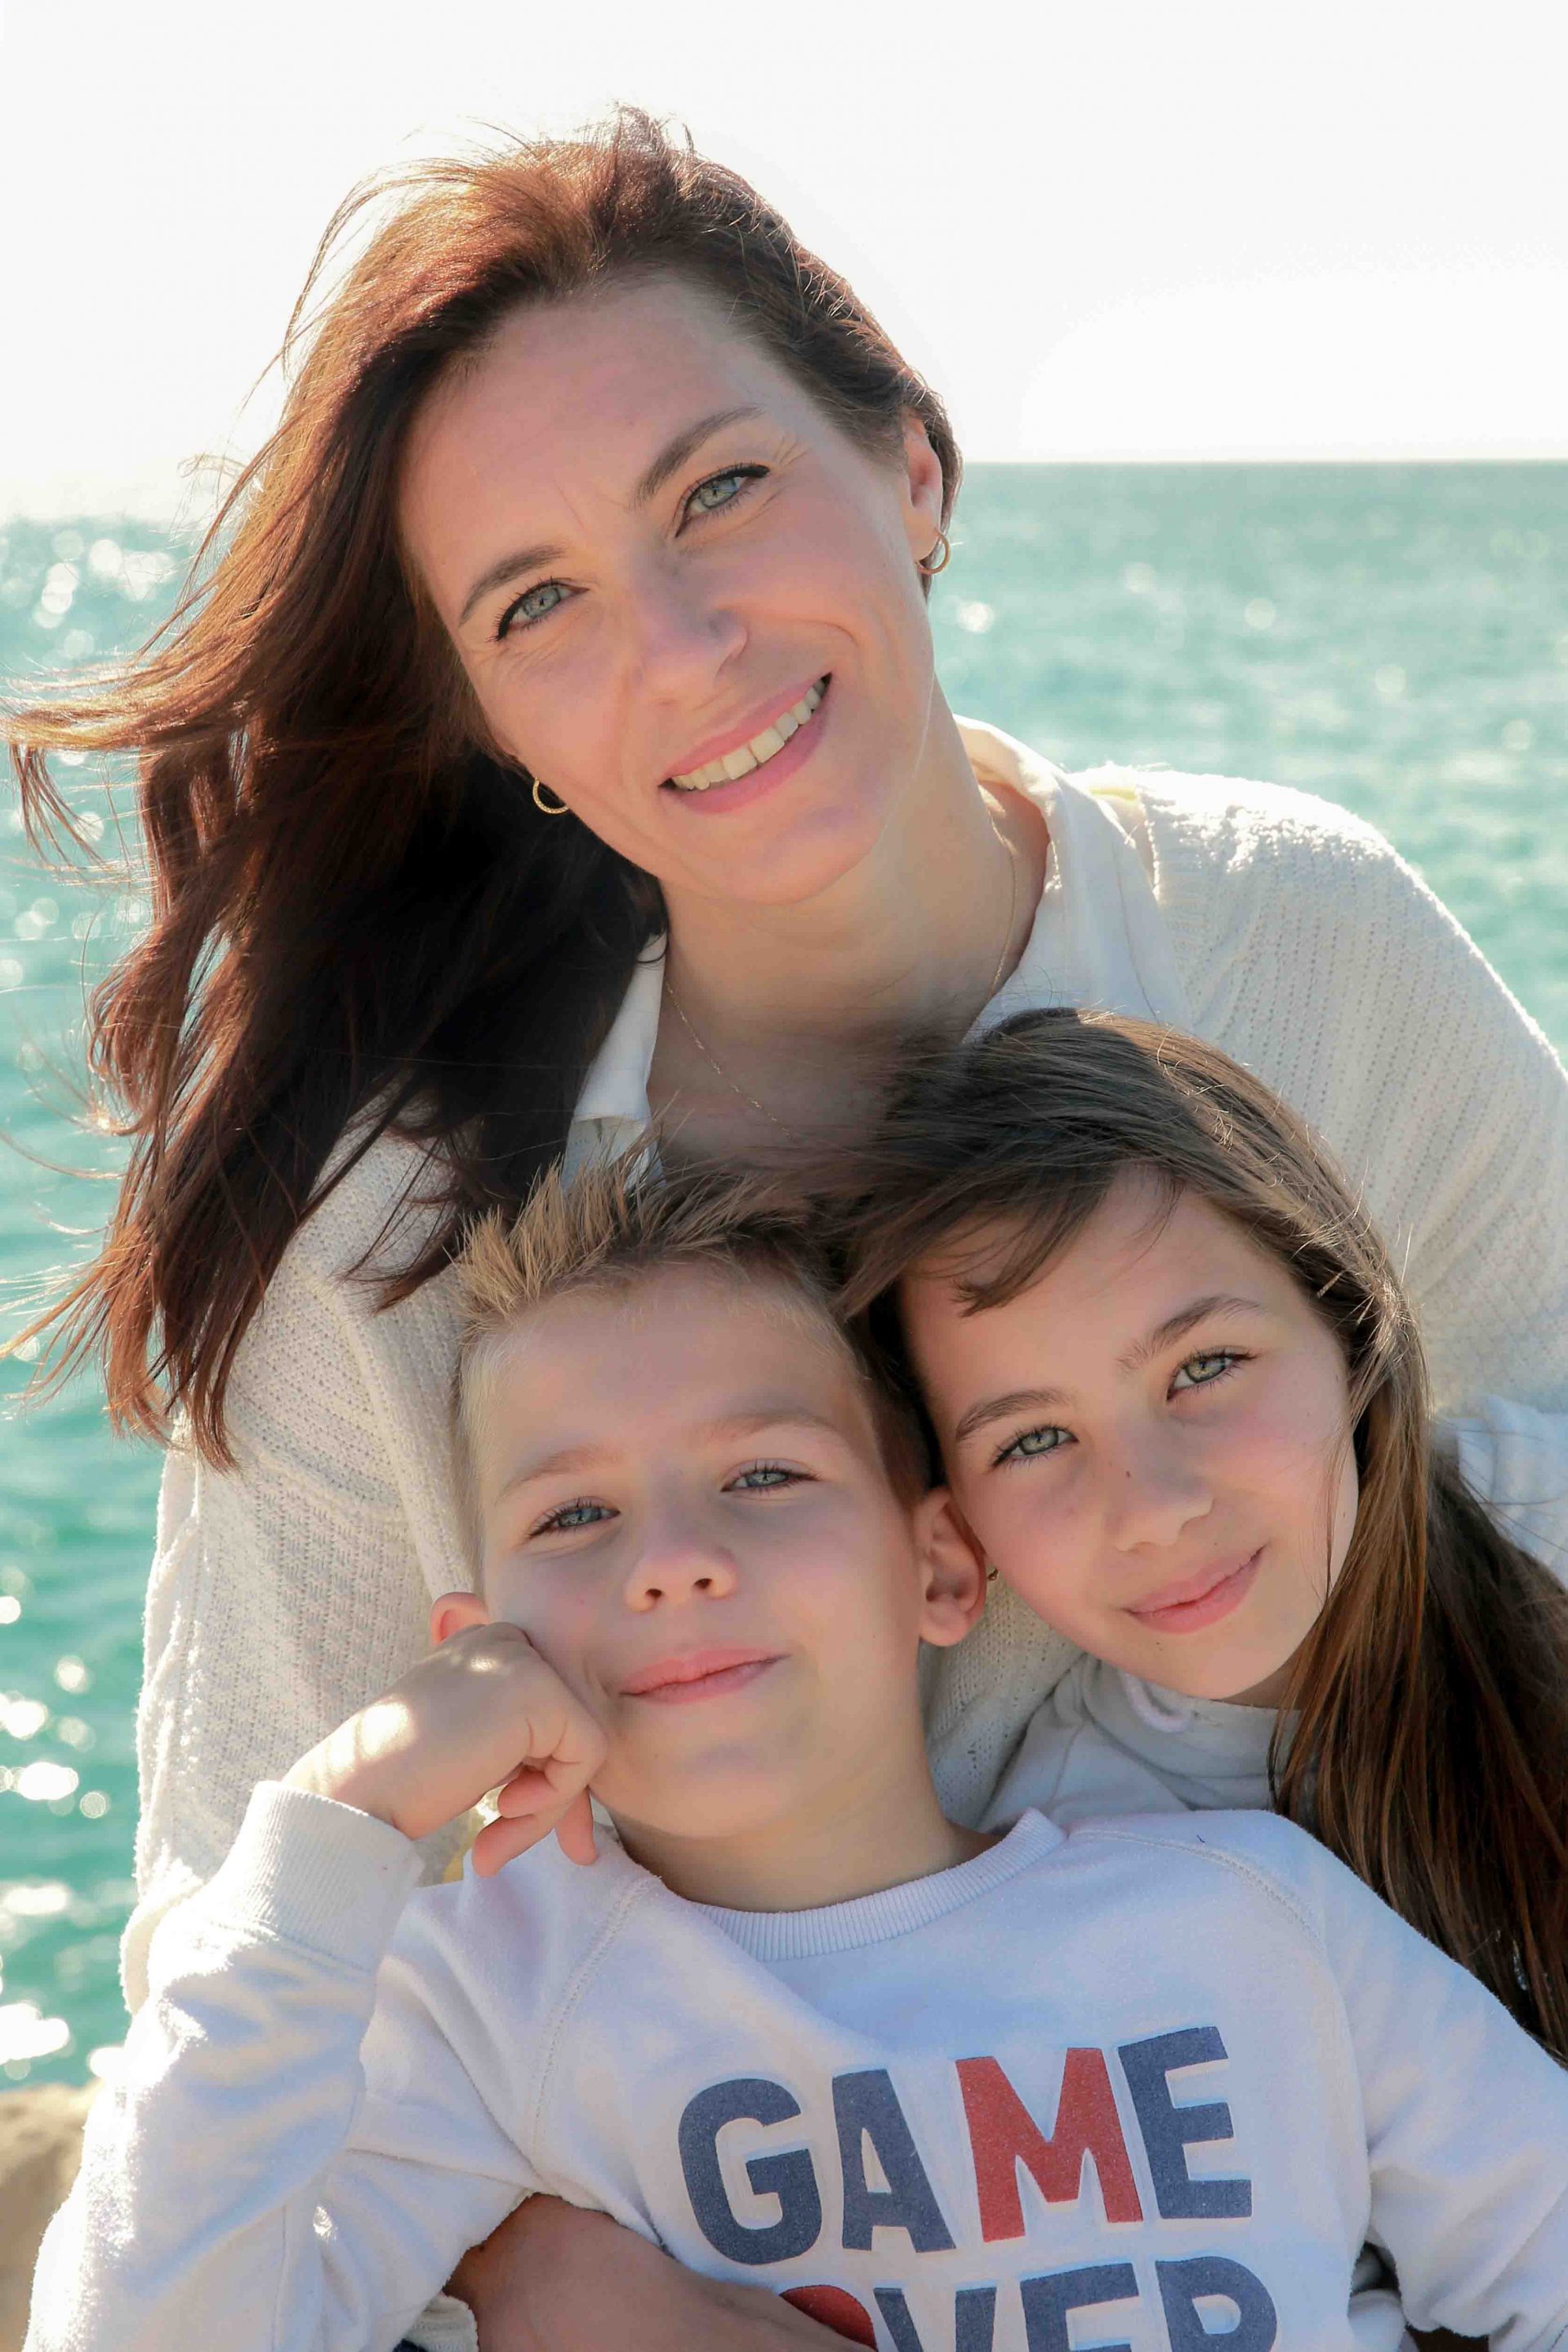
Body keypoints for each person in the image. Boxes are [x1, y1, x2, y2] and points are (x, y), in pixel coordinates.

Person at [7, 103, 1568, 2352]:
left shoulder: (1280, 943)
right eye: (538, 607)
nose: (682, 641)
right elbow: (247, 1920)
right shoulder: (406, 1224)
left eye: (718, 490)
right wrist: (569, 2298)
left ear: (911, 470)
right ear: (501, 727)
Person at [25, 1160, 1568, 2352]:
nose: (674, 1561)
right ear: (477, 1638)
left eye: (766, 1474)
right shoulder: (485, 1999)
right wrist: (350, 1812)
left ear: (943, 1570)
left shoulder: (1248, 1912)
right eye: (575, 1515)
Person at [837, 1009, 1568, 2054]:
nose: (1152, 1508)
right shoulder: (1093, 1858)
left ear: (1346, 1319)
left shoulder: (1540, 1509)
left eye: (1205, 1368)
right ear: (959, 1528)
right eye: (1034, 1440)